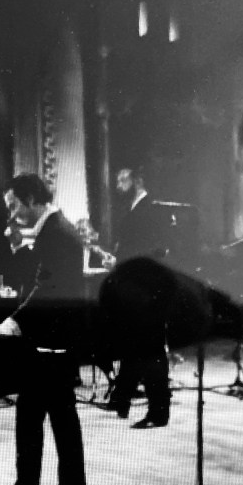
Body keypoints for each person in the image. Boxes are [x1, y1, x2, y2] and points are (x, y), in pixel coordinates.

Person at [0, 174, 90, 485]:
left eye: (14, 205)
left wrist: (14, 322)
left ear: (31, 199)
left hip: (48, 344)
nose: (13, 214)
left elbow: (46, 289)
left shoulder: (55, 234)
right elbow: (42, 279)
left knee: (29, 419)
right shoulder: (58, 230)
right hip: (60, 343)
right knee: (63, 417)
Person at [108, 167, 171, 428]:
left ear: (137, 180)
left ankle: (158, 412)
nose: (119, 185)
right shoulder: (133, 208)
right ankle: (122, 397)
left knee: (150, 350)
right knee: (135, 344)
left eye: (123, 180)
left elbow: (151, 250)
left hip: (147, 290)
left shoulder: (150, 209)